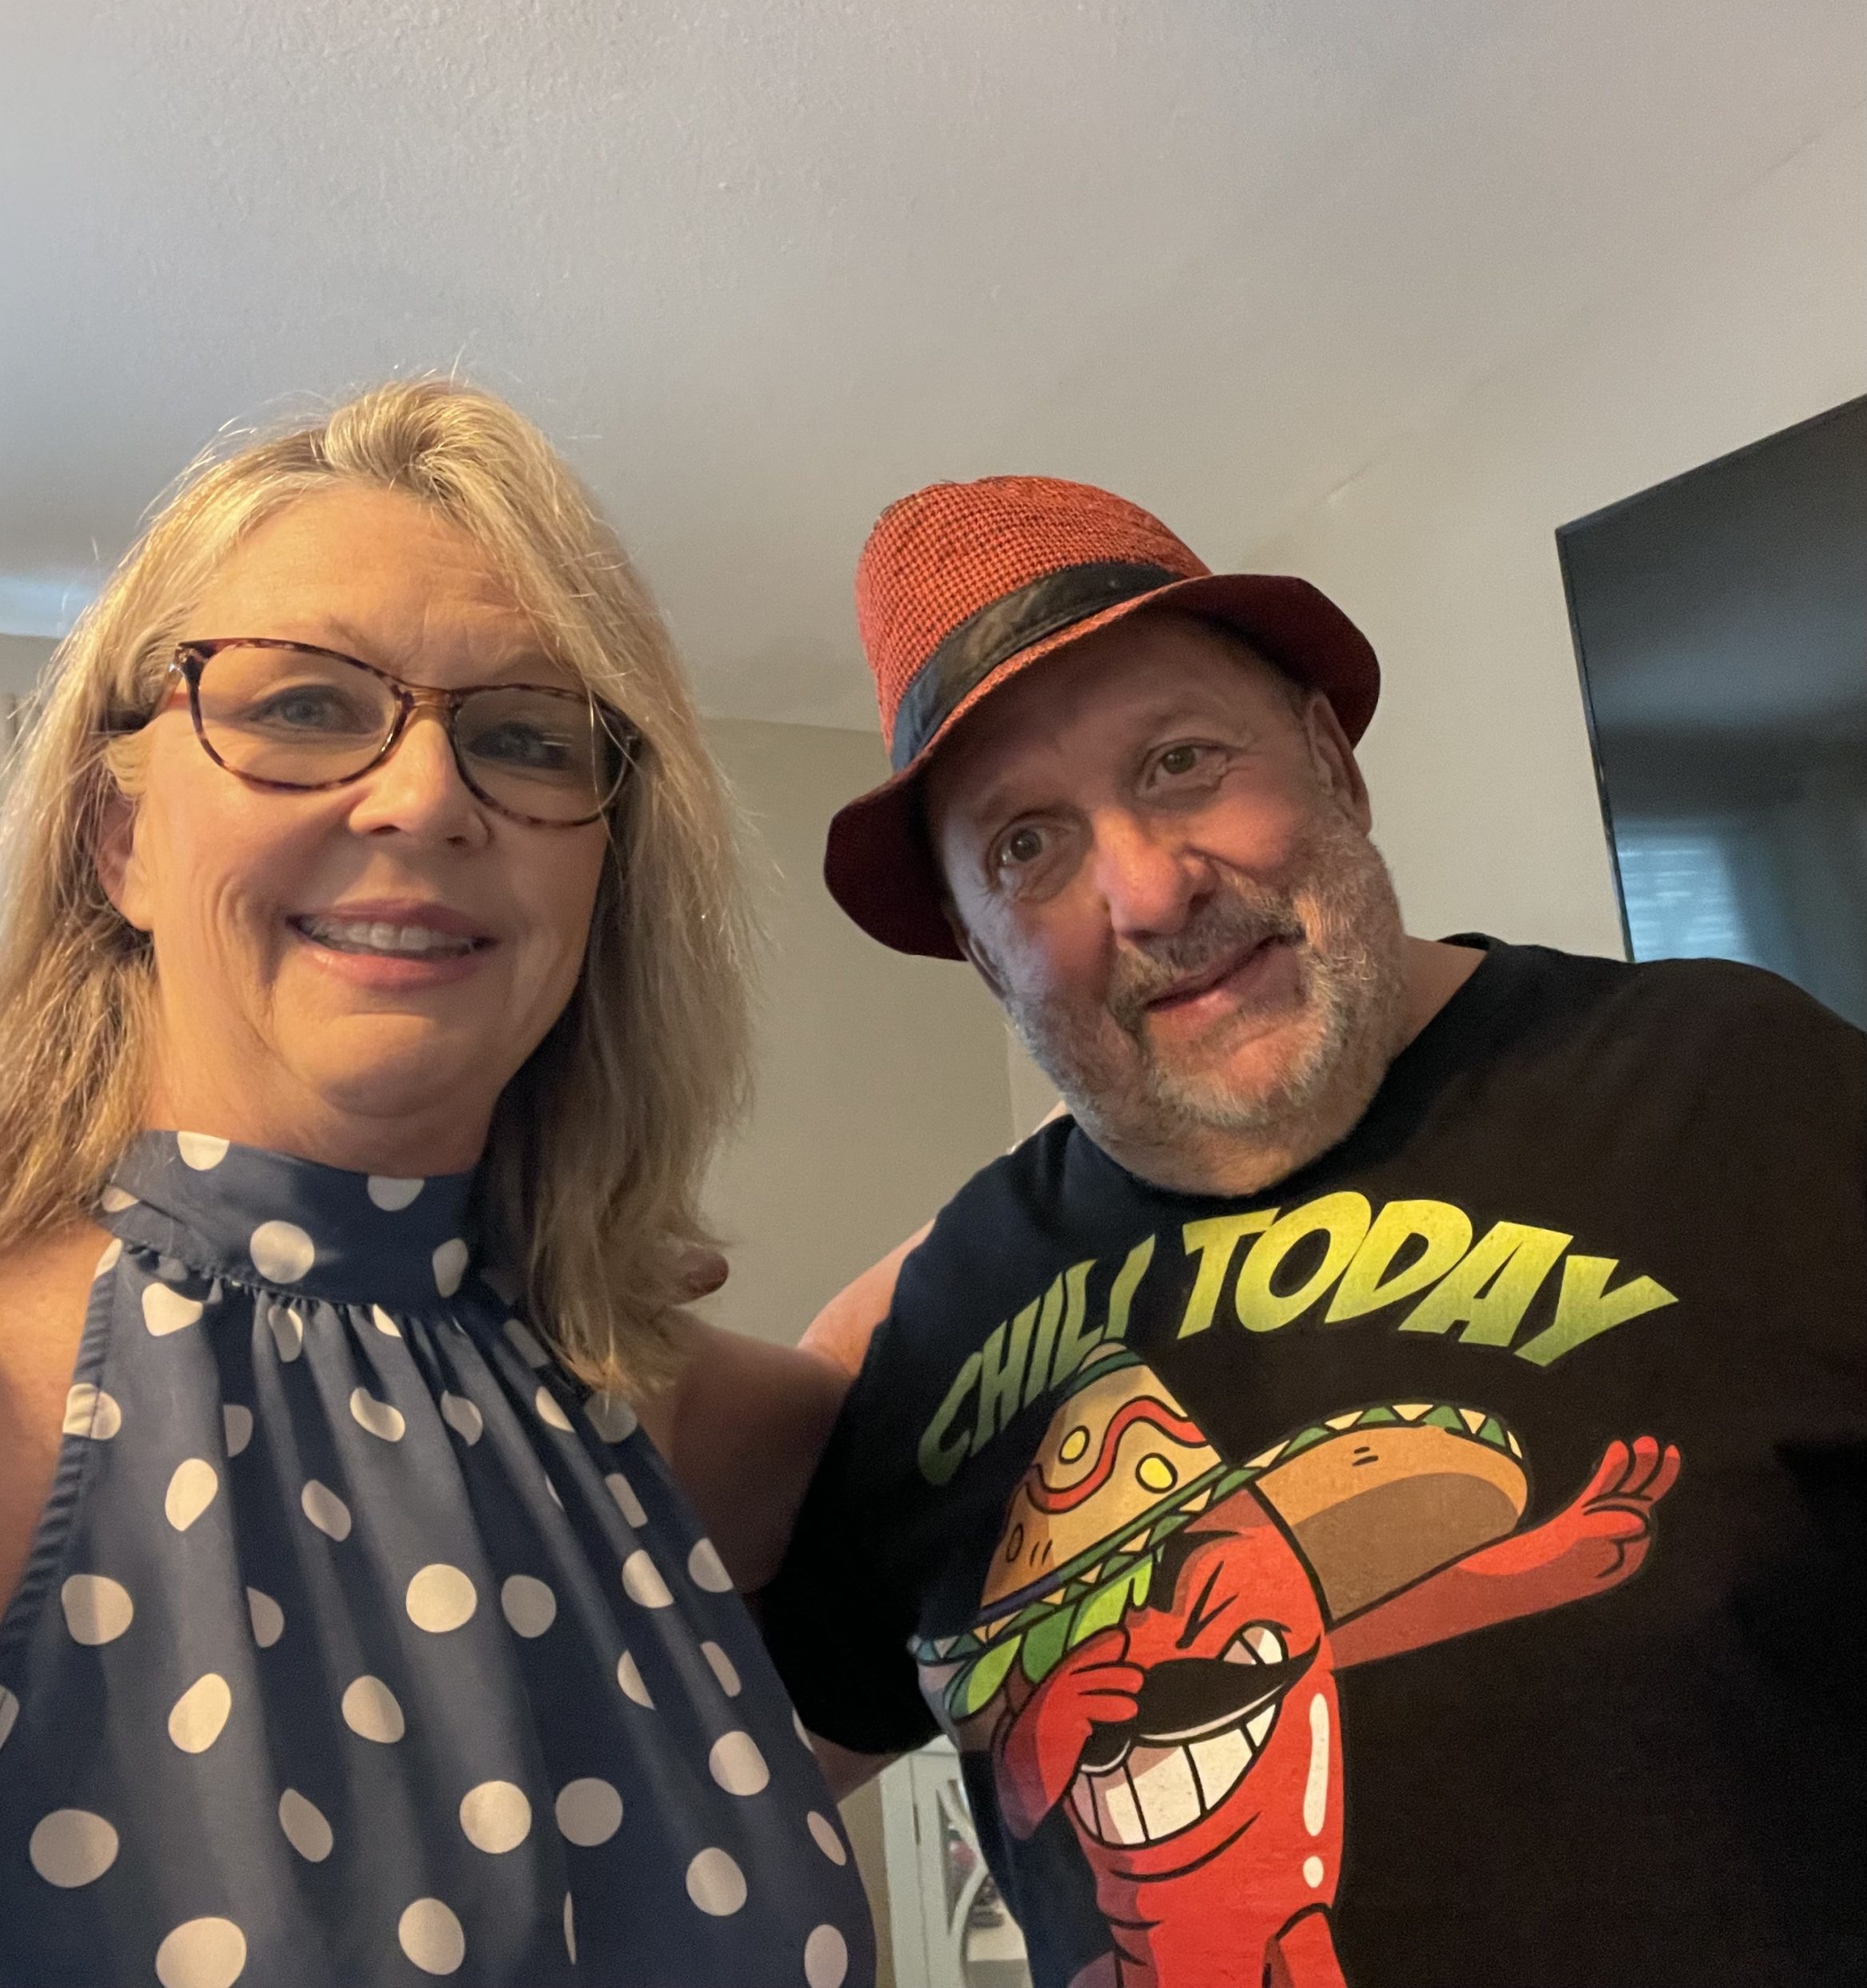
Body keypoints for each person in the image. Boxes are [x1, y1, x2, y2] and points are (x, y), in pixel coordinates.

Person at [0, 379, 870, 1987]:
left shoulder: (651, 1413)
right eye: (303, 705)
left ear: (601, 868)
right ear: (117, 836)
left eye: (524, 735)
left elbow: (987, 1361)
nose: (426, 797)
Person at [759, 474, 1867, 1988]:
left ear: (1333, 762)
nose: (1148, 890)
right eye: (1025, 846)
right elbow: (719, 1770)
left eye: (1181, 761)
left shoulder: (1736, 1085)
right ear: (977, 947)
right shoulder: (940, 1314)